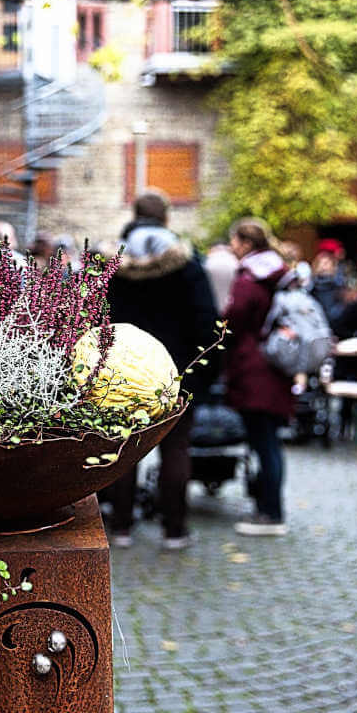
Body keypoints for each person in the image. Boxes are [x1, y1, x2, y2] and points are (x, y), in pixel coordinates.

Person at [104, 190, 220, 550]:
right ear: (166, 218)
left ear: (134, 215)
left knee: (126, 447)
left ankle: (120, 527)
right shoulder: (186, 264)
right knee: (176, 448)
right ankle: (174, 530)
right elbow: (206, 319)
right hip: (178, 368)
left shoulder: (112, 264)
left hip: (121, 371)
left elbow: (96, 314)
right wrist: (206, 371)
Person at [223, 218, 293, 536]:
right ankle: (269, 508)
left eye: (235, 242)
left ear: (247, 244)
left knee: (264, 443)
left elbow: (232, 321)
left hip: (254, 370)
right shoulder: (278, 274)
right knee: (270, 443)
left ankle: (270, 514)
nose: (232, 248)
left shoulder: (250, 278)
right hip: (274, 367)